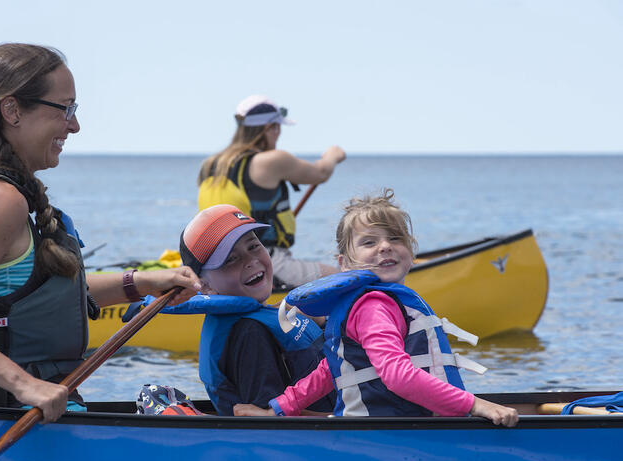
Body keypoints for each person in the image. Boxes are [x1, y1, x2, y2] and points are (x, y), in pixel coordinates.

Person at [0, 43, 201, 423]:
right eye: (65, 109)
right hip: (4, 418)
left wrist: (141, 282)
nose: (74, 125)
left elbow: (31, 299)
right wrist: (25, 384)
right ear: (12, 111)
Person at [234, 190, 519, 426]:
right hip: (390, 434)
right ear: (344, 263)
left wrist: (278, 409)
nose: (385, 247)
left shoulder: (380, 300)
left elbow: (328, 371)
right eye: (369, 242)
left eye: (395, 238)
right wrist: (475, 405)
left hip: (394, 428)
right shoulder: (373, 306)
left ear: (411, 248)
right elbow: (397, 376)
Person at [160, 204, 336, 415]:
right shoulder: (249, 333)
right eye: (231, 259)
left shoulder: (260, 318)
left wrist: (322, 324)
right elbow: (268, 422)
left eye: (253, 246)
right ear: (204, 285)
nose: (251, 260)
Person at [197, 95, 346, 288]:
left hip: (216, 264)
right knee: (344, 280)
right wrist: (333, 155)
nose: (278, 134)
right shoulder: (271, 160)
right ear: (271, 128)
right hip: (260, 258)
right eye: (278, 128)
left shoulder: (211, 165)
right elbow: (321, 172)